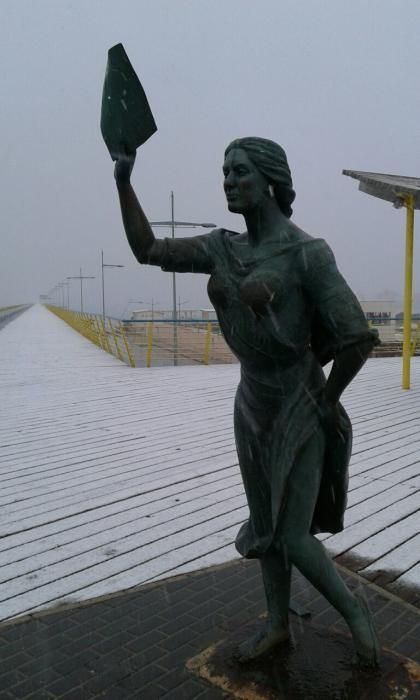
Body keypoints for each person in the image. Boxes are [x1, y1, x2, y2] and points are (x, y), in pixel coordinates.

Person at [114, 137, 380, 666]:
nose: (229, 180)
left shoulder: (307, 253)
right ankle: (278, 626)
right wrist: (123, 180)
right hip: (252, 402)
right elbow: (149, 250)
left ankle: (357, 616)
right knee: (265, 529)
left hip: (300, 405)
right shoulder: (222, 247)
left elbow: (355, 337)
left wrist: (328, 400)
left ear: (271, 180)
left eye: (240, 172)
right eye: (225, 172)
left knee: (295, 536)